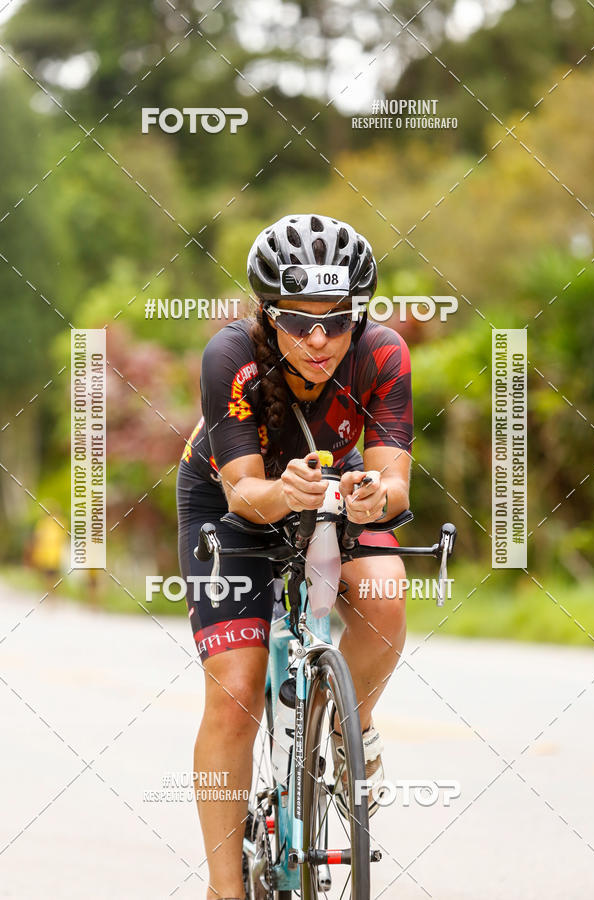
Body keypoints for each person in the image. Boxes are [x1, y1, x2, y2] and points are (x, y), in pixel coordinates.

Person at [177, 213, 412, 900]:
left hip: (330, 488)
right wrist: (280, 492)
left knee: (385, 592)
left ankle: (349, 721)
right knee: (235, 695)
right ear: (265, 313)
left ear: (358, 315)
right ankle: (225, 888)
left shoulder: (385, 354)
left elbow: (396, 482)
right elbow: (245, 492)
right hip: (232, 498)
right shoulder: (231, 357)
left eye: (337, 321)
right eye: (298, 320)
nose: (318, 340)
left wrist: (376, 497)